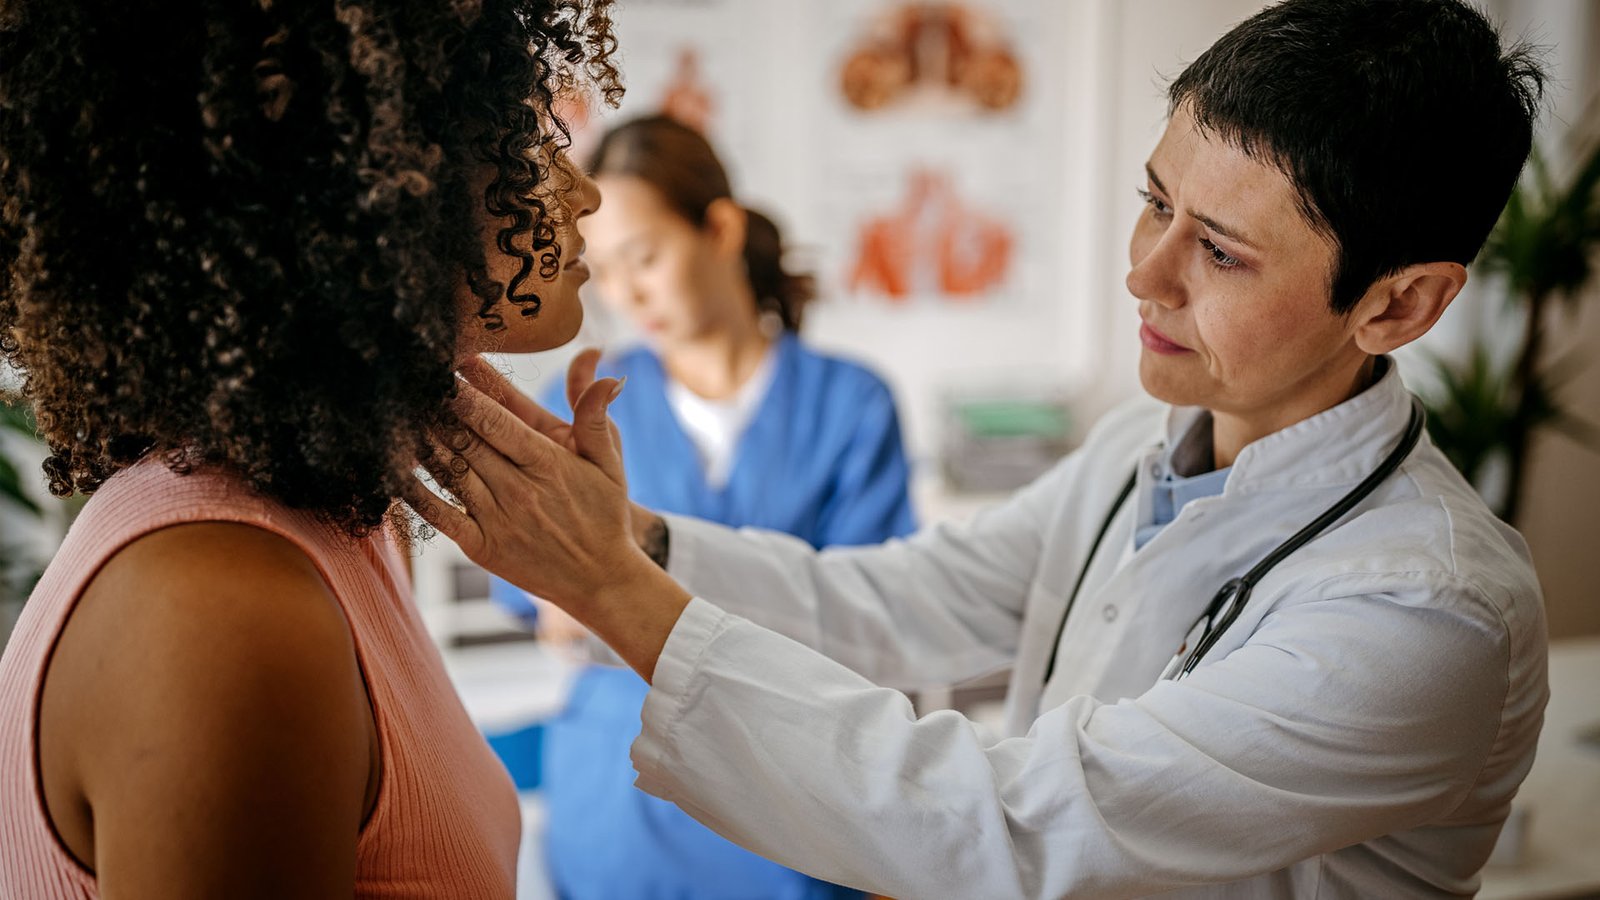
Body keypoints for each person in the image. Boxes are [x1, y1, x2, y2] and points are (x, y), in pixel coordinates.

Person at [412, 0, 1550, 896]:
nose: (1142, 274)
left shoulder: (1423, 611)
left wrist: (613, 586)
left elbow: (1013, 821)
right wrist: (637, 540)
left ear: (1397, 308)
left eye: (1219, 252)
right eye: (1153, 204)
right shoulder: (1135, 450)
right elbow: (892, 602)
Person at [0, 1, 616, 897]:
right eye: (523, 139)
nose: (580, 190)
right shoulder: (219, 607)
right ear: (367, 189)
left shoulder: (334, 519)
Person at [498, 115, 916, 900]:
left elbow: (872, 617)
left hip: (790, 796)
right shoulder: (584, 400)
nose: (626, 296)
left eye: (646, 258)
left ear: (718, 228)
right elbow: (543, 606)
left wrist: (628, 584)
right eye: (603, 270)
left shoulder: (849, 403)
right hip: (618, 798)